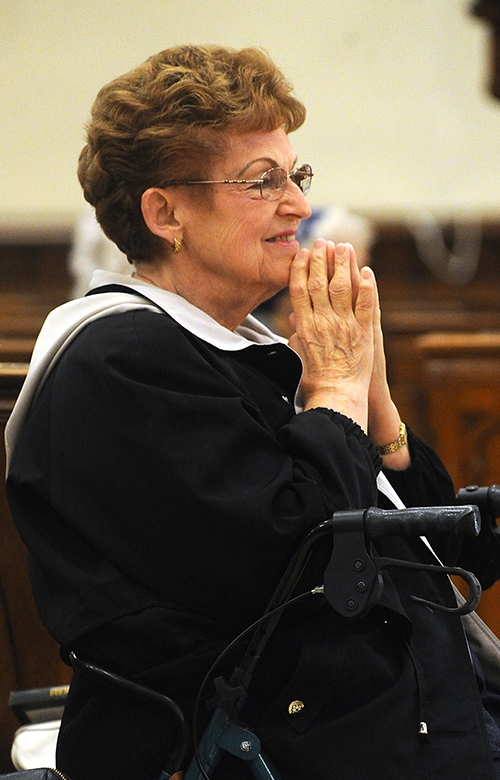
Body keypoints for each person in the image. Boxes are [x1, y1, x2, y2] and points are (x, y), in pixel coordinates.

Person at [4, 44, 500, 780]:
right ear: (166, 212)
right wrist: (333, 390)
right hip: (266, 744)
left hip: (386, 714)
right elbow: (298, 563)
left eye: (295, 175)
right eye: (262, 181)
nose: (299, 205)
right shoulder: (119, 363)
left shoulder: (235, 347)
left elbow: (440, 560)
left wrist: (378, 407)